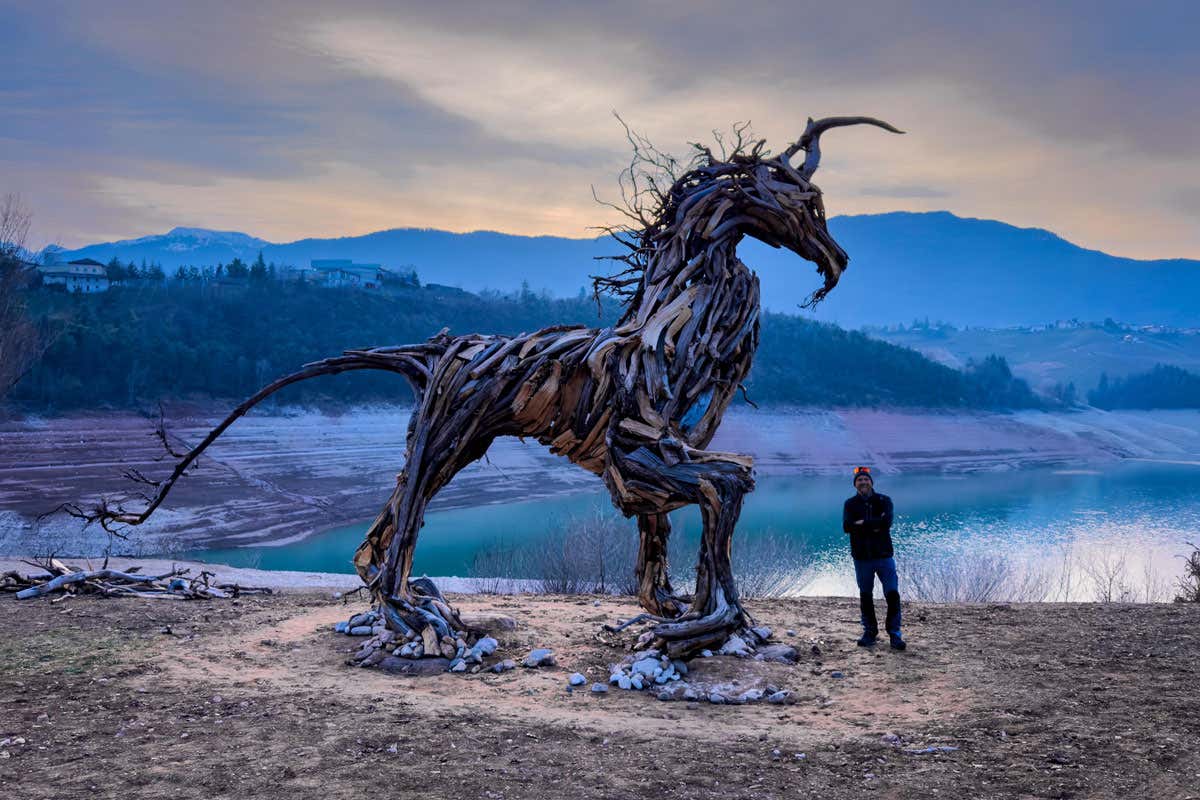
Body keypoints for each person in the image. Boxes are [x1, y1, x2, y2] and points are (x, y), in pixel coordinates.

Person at [843, 466, 906, 650]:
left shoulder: (884, 500)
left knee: (892, 594)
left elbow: (886, 523)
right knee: (865, 596)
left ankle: (894, 634)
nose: (863, 482)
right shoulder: (850, 504)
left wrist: (862, 523)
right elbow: (847, 527)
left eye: (866, 479)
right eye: (859, 480)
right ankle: (870, 632)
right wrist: (874, 524)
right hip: (862, 557)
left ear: (871, 482)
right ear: (855, 484)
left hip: (884, 555)